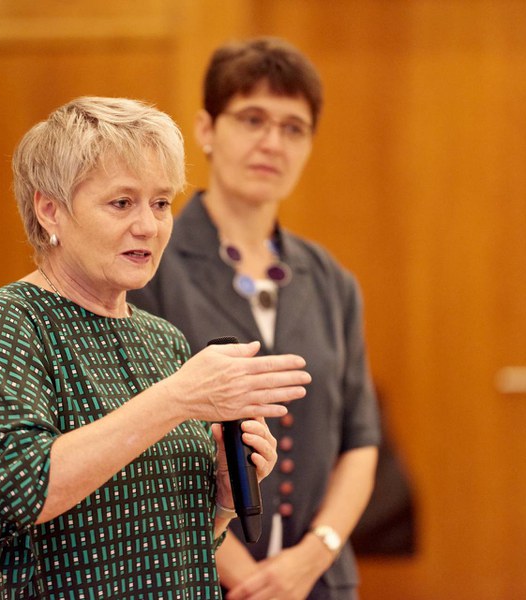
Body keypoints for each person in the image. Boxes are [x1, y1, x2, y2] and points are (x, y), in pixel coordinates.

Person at [0, 96, 313, 599]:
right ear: (50, 210)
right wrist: (176, 398)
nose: (149, 225)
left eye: (161, 203)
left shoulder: (163, 340)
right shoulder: (9, 322)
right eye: (122, 203)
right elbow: (23, 489)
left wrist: (224, 498)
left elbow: (172, 545)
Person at [127, 37, 381, 599]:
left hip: (319, 581)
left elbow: (360, 443)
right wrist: (247, 578)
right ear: (207, 130)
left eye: (293, 128)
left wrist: (313, 558)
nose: (273, 142)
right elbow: (138, 443)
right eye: (252, 119)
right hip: (195, 576)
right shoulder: (149, 268)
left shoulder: (332, 280)